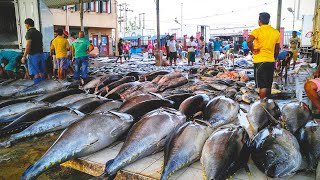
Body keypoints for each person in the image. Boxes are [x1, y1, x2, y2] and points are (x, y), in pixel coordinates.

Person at [247, 12, 280, 99]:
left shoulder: (257, 31)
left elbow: (249, 40)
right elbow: (277, 49)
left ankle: (262, 106)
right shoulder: (276, 32)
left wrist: (252, 49)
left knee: (262, 86)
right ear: (268, 21)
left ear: (259, 21)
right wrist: (274, 59)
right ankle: (268, 103)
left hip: (260, 61)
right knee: (268, 85)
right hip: (270, 61)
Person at [22, 18, 46, 84]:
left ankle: (38, 89)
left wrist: (24, 56)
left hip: (33, 55)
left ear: (27, 24)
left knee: (36, 73)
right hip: (41, 54)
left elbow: (28, 46)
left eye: (25, 25)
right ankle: (44, 87)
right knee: (41, 72)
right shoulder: (39, 33)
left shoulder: (29, 33)